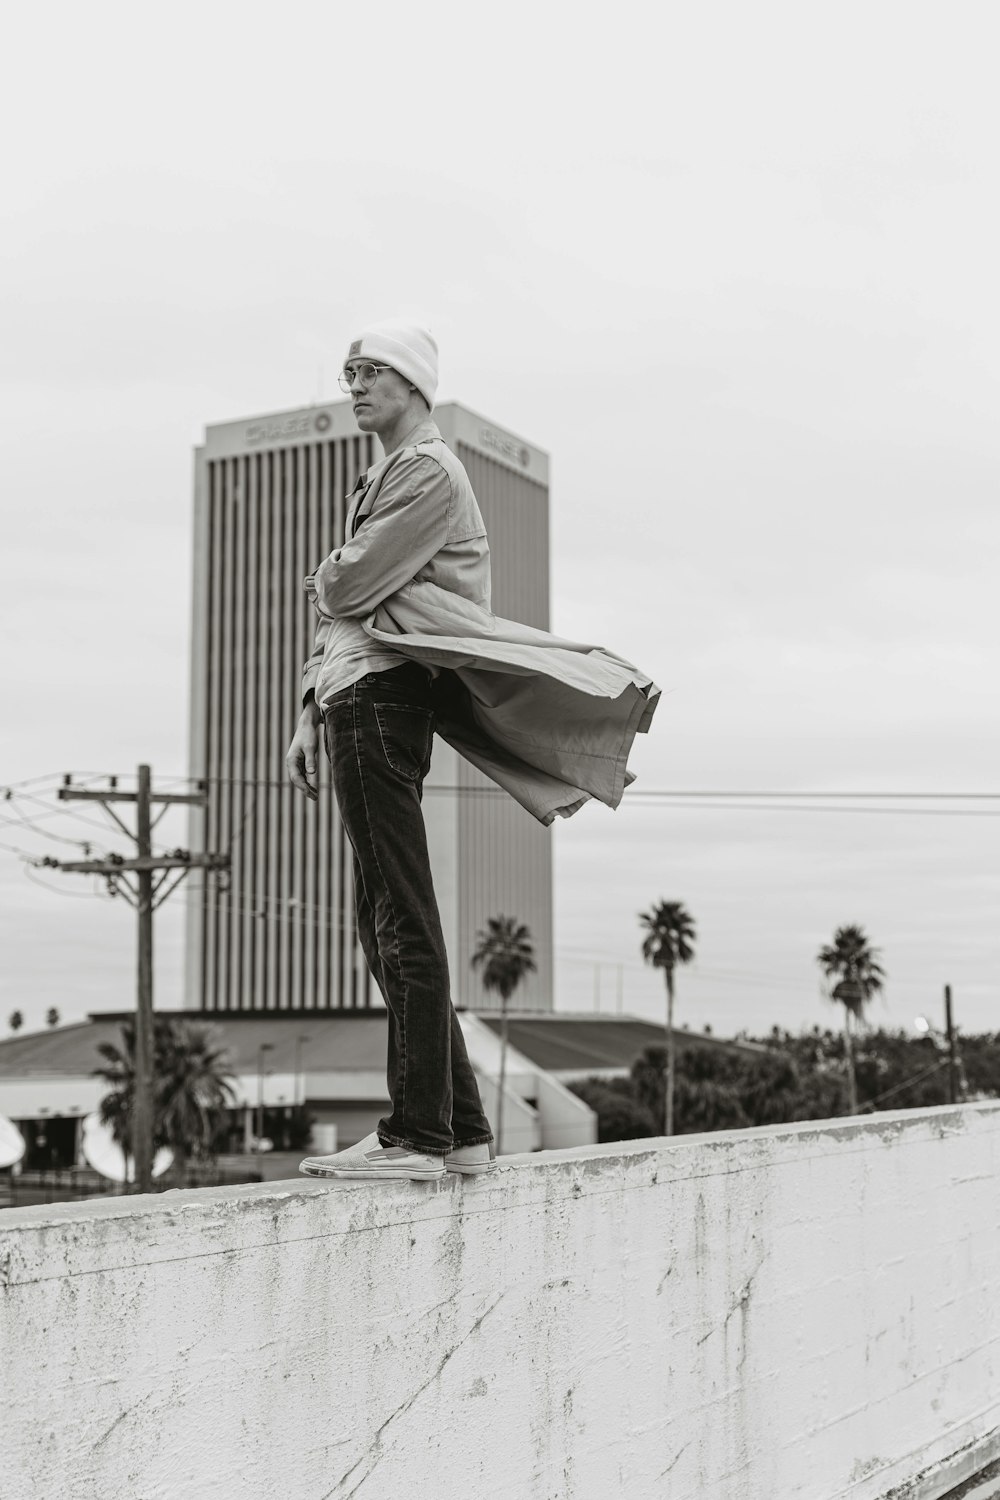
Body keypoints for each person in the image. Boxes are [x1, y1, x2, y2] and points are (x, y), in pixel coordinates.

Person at [289, 319, 660, 1185]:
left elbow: (343, 586)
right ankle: (459, 1130)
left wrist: (329, 577)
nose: (354, 385)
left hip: (382, 696)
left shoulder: (426, 472)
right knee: (382, 922)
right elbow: (342, 607)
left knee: (398, 916)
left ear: (414, 382)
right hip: (351, 693)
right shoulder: (378, 474)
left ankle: (416, 1134)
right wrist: (308, 710)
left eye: (371, 371)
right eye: (348, 372)